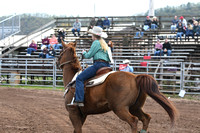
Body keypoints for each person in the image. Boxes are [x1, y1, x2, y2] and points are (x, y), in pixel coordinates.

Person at [67, 26, 112, 107]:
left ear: (94, 35)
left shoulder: (96, 42)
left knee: (79, 78)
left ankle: (79, 100)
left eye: (91, 35)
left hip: (98, 64)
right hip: (106, 65)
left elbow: (88, 55)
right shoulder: (103, 43)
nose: (91, 36)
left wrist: (84, 53)